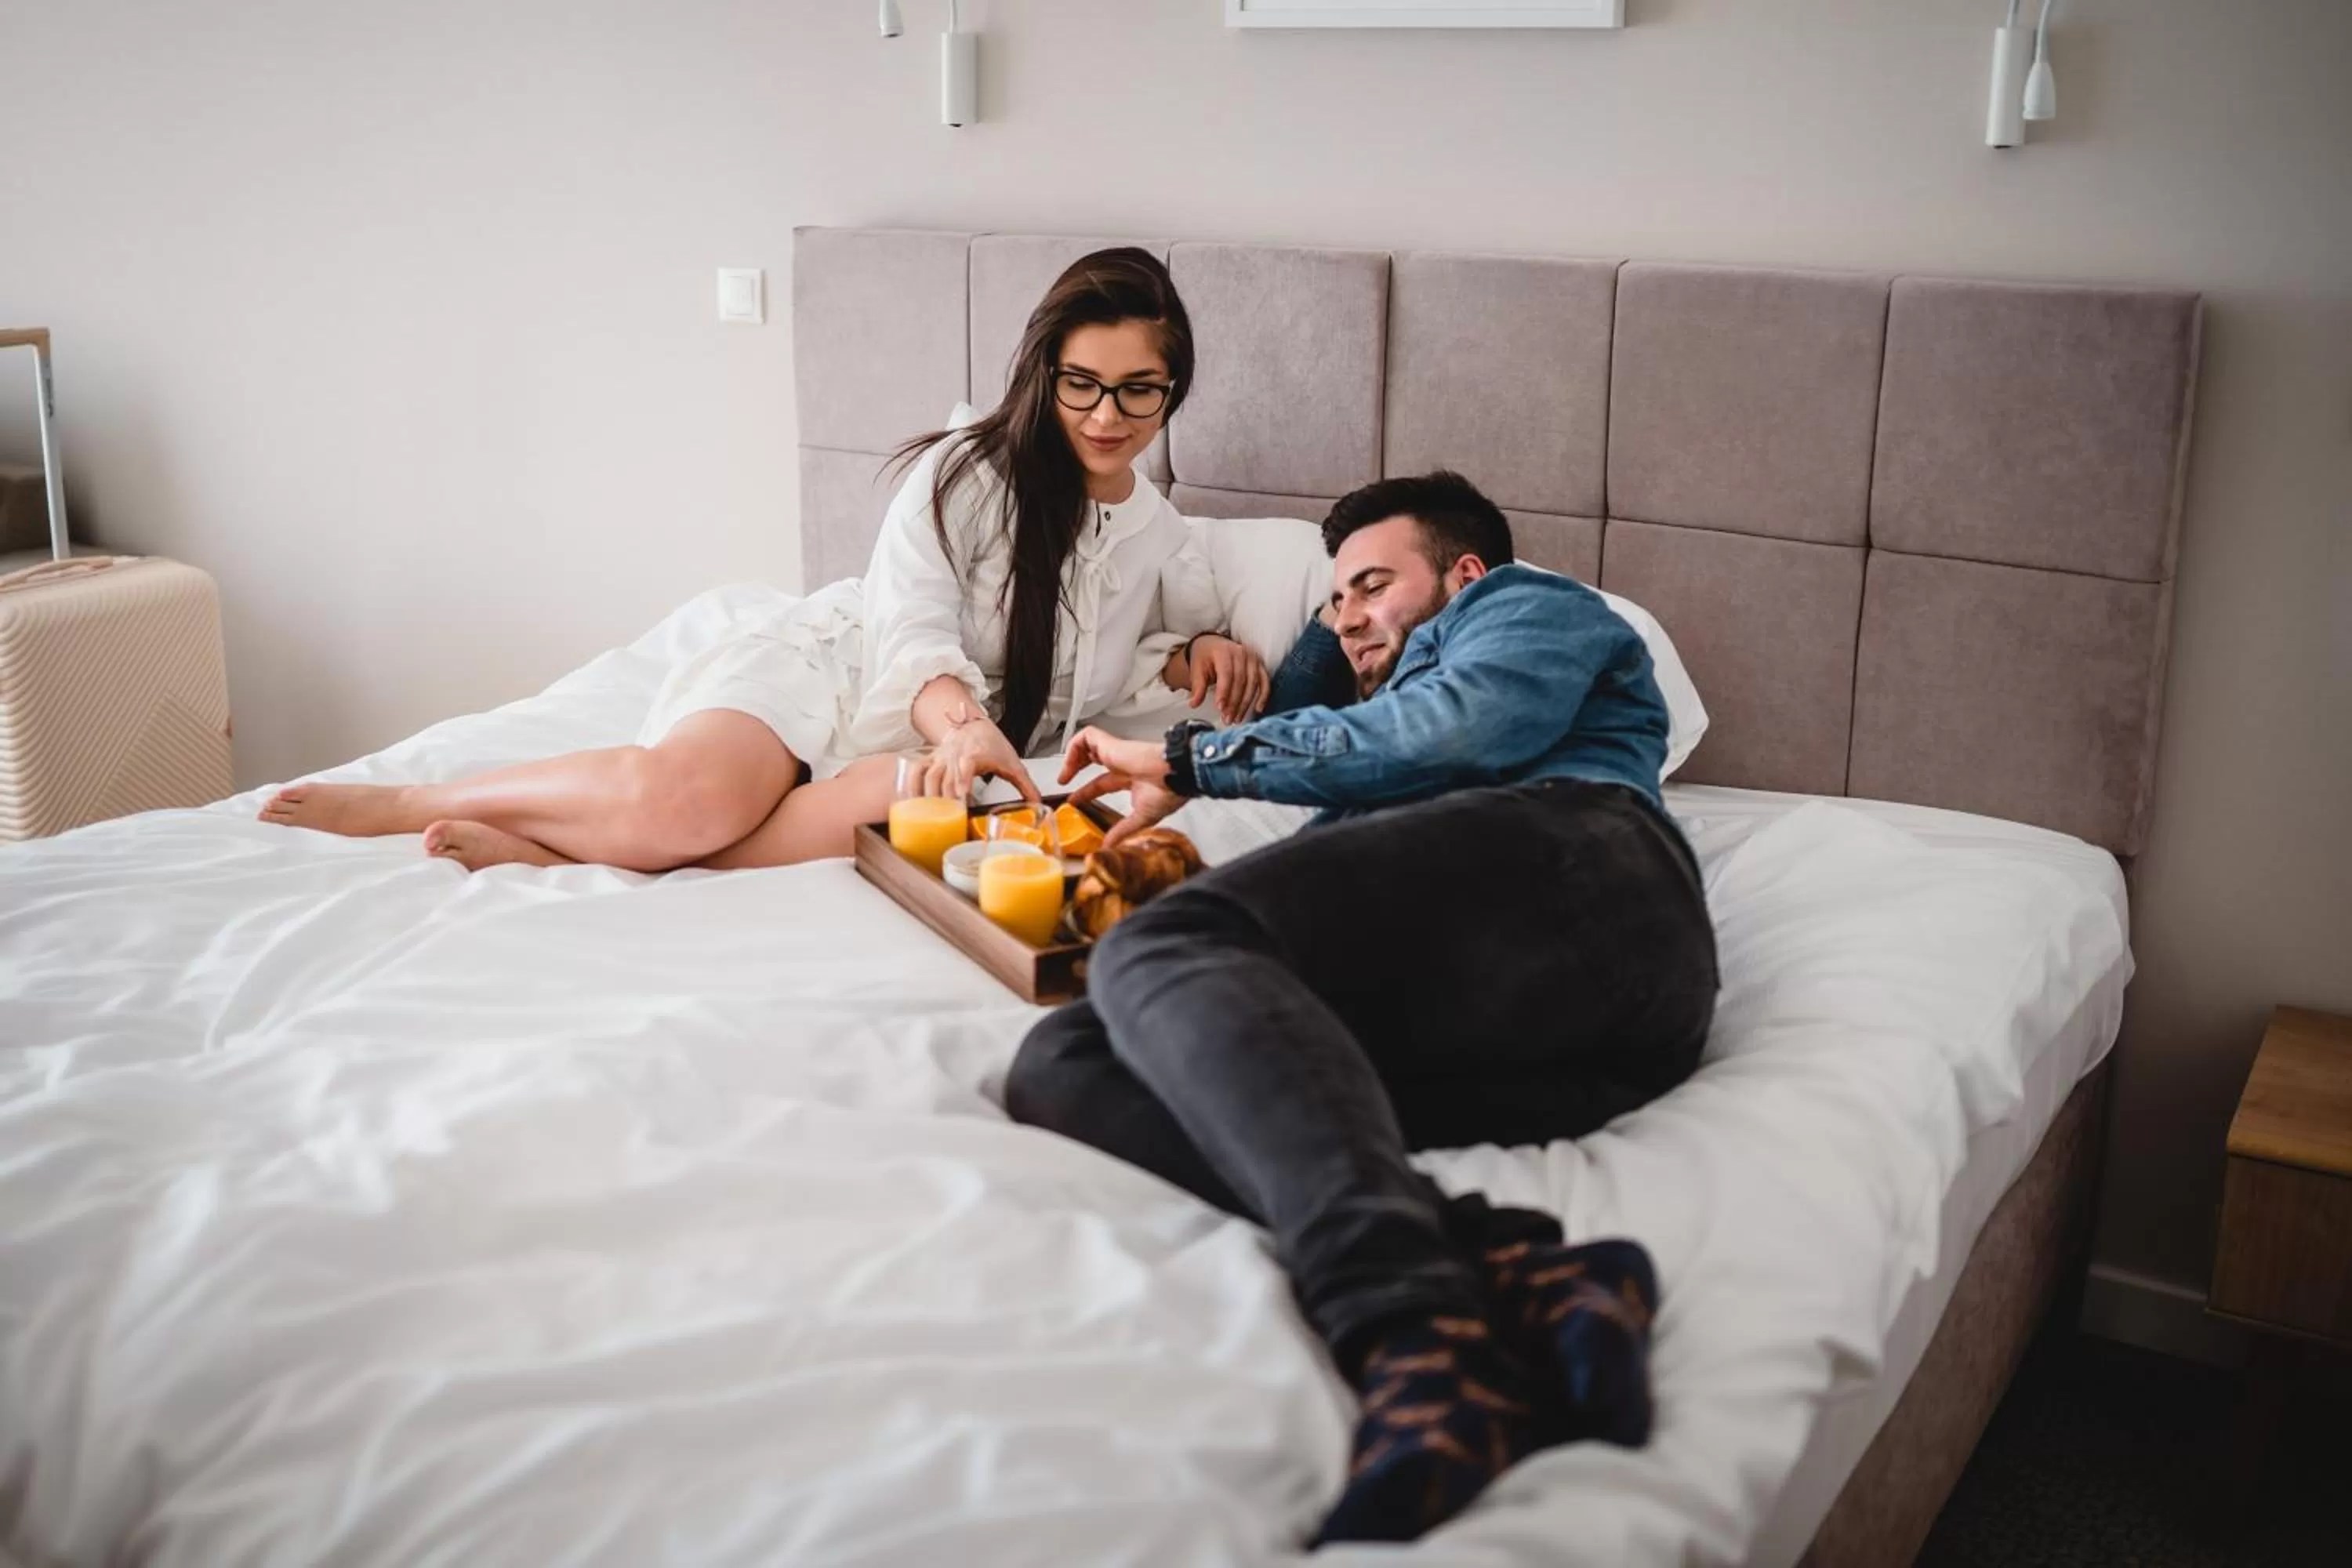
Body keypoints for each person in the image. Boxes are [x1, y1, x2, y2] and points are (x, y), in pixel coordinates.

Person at [1004, 470, 1719, 1544]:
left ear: (1465, 573)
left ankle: (1417, 1331)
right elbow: (1306, 714)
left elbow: (1451, 731)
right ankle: (1521, 1262)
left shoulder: (1528, 609)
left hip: (1589, 886)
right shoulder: (1364, 699)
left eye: (1373, 584)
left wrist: (1189, 756)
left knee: (1169, 942)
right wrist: (1299, 635)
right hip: (1492, 1015)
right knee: (1064, 1060)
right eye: (1334, 598)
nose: (1346, 616)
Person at [257, 249, 1269, 871]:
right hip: (834, 671)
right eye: (1082, 384)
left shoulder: (1161, 535)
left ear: (1172, 393)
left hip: (911, 761)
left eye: (1140, 390)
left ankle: (548, 847)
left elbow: (1170, 634)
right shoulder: (965, 478)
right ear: (1041, 373)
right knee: (689, 803)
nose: (1106, 415)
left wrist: (1200, 653)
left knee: (892, 804)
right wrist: (965, 728)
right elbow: (912, 634)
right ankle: (421, 800)